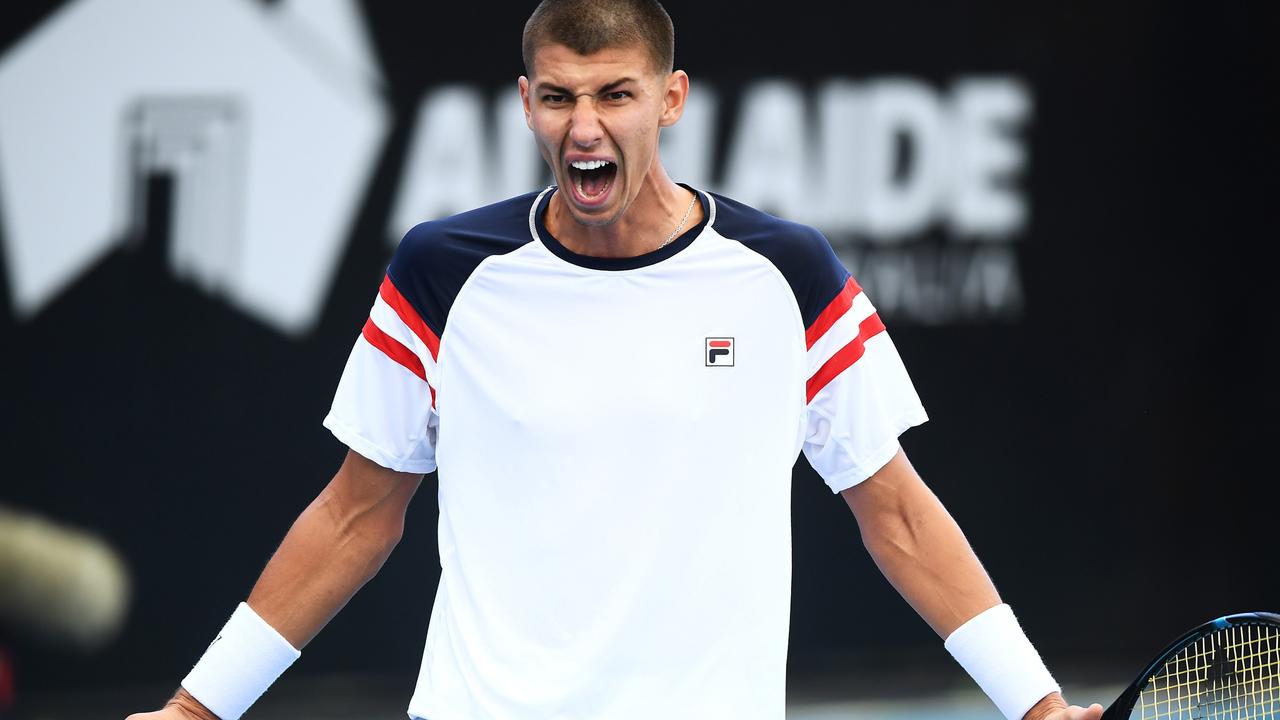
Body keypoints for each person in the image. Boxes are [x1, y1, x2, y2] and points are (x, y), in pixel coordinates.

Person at [129, 1, 1105, 719]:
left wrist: (1036, 706)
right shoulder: (442, 273)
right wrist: (193, 711)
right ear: (525, 104)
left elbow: (892, 510)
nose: (583, 127)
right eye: (557, 97)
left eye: (613, 95)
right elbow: (352, 518)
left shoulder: (785, 274)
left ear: (669, 100)